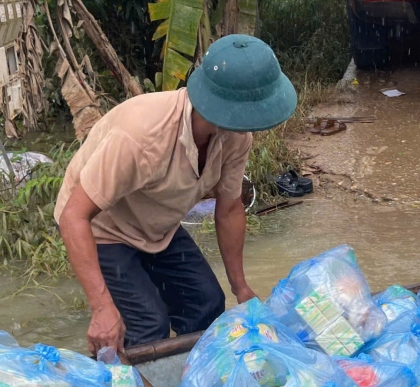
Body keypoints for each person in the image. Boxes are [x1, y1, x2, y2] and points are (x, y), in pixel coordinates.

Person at [55, 35, 297, 353]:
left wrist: (241, 287)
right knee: (147, 326)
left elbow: (229, 209)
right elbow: (74, 216)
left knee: (207, 303)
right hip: (103, 229)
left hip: (158, 225)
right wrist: (101, 308)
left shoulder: (237, 137)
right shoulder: (141, 134)